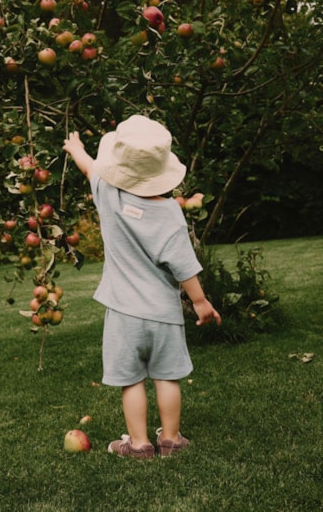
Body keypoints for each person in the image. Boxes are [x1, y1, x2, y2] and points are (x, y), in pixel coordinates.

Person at [63, 114, 221, 459]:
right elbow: (183, 266)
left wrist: (75, 148)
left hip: (123, 313)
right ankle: (171, 440)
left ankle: (138, 444)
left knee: (132, 380)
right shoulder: (170, 214)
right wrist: (200, 301)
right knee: (167, 377)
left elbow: (90, 168)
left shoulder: (107, 195)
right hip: (164, 313)